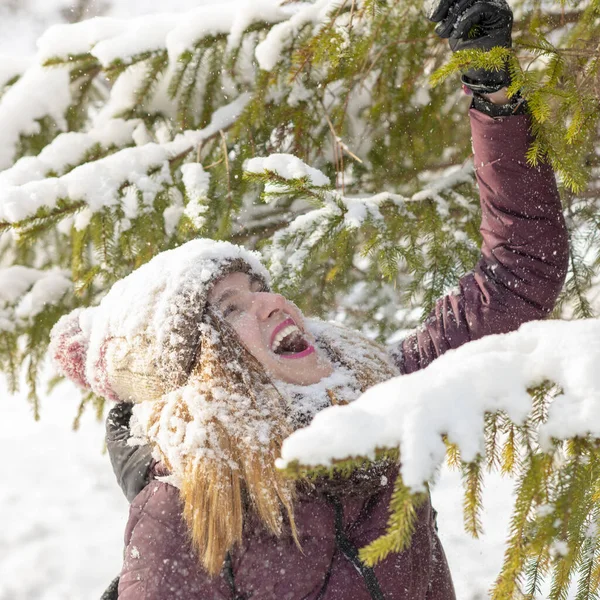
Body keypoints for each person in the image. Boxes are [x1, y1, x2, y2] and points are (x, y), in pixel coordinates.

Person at [50, 1, 569, 598]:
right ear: (200, 371)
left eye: (259, 289)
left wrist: (494, 98)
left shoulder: (375, 391)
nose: (270, 305)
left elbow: (521, 272)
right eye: (229, 308)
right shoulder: (187, 514)